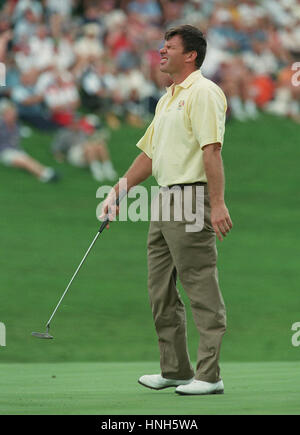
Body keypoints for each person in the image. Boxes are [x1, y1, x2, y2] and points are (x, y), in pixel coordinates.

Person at [101, 24, 233, 396]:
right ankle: (175, 369)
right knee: (160, 290)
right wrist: (119, 191)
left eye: (169, 47)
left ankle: (209, 375)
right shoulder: (168, 98)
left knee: (199, 286)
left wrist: (217, 203)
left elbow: (212, 150)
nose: (161, 51)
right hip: (164, 200)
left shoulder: (204, 92)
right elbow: (149, 154)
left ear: (190, 54)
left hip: (192, 198)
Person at [0, 99, 58, 182]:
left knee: (28, 159)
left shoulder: (16, 124)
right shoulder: (1, 125)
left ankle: (45, 170)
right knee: (23, 162)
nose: (13, 115)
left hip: (16, 149)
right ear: (4, 114)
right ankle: (44, 175)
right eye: (10, 113)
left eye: (14, 113)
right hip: (4, 152)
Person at [51, 117, 118, 181]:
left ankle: (108, 169)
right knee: (89, 147)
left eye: (78, 123)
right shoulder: (65, 134)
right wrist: (59, 156)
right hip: (74, 153)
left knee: (101, 146)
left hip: (86, 151)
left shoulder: (82, 132)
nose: (76, 125)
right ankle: (97, 171)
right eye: (74, 123)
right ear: (71, 124)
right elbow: (56, 147)